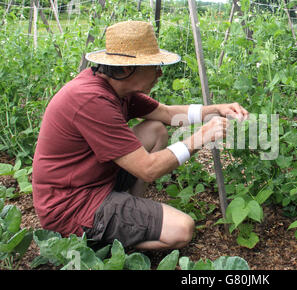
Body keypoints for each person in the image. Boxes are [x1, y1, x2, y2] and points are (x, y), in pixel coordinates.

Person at [32, 20, 249, 250]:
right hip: (70, 206)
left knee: (155, 130)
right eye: (153, 65)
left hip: (93, 180)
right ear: (126, 69)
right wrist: (200, 137)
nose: (160, 72)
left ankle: (132, 211)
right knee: (182, 229)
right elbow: (149, 169)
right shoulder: (91, 100)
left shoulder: (116, 86)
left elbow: (166, 113)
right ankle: (100, 245)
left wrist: (216, 110)